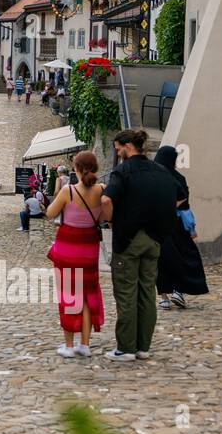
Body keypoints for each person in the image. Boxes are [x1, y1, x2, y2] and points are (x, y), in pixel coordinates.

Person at [101, 129, 180, 362]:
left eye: (117, 149)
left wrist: (111, 220)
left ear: (127, 146)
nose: (118, 153)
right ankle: (143, 346)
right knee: (147, 292)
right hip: (154, 239)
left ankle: (126, 348)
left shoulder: (123, 171)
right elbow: (176, 198)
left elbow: (106, 199)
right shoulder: (161, 171)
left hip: (129, 239)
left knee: (126, 293)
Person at [45, 150, 107, 357]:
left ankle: (69, 346)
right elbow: (105, 217)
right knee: (88, 295)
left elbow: (50, 213)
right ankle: (85, 345)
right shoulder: (102, 191)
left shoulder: (68, 191)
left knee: (69, 295)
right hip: (89, 248)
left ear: (77, 169)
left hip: (68, 248)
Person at [153, 146, 209, 310]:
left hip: (159, 224)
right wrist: (191, 227)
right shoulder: (179, 178)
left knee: (161, 260)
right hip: (178, 225)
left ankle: (163, 297)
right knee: (181, 257)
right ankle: (178, 290)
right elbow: (184, 202)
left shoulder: (154, 176)